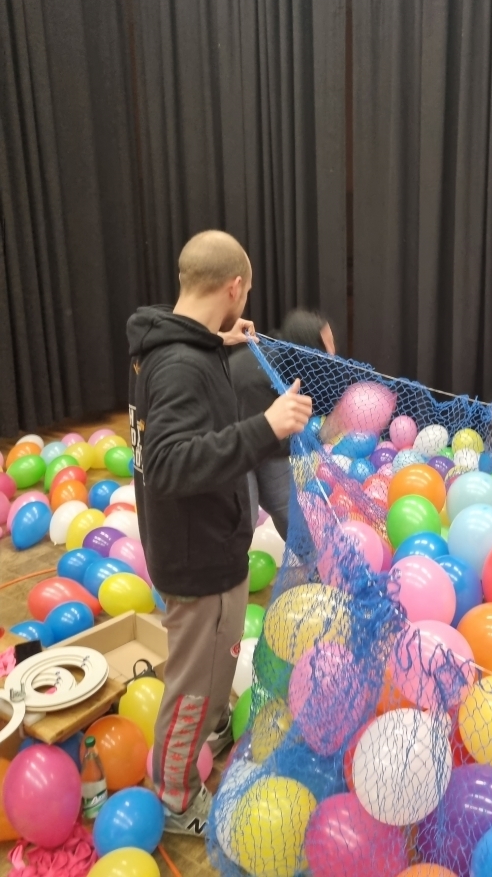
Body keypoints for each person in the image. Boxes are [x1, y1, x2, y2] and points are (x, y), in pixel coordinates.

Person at [127, 231, 312, 837]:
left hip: (202, 547)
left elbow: (183, 422)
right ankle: (176, 798)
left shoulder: (174, 345)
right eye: (246, 292)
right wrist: (267, 426)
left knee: (205, 679)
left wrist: (218, 340)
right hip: (199, 560)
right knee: (194, 691)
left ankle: (204, 736)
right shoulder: (181, 364)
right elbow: (170, 462)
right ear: (234, 287)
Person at [228, 309, 335, 537]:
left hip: (265, 438)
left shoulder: (295, 366)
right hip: (234, 443)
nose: (332, 352)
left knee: (288, 508)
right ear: (309, 347)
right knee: (246, 516)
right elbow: (262, 438)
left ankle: (312, 558)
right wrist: (315, 439)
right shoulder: (258, 379)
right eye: (326, 345)